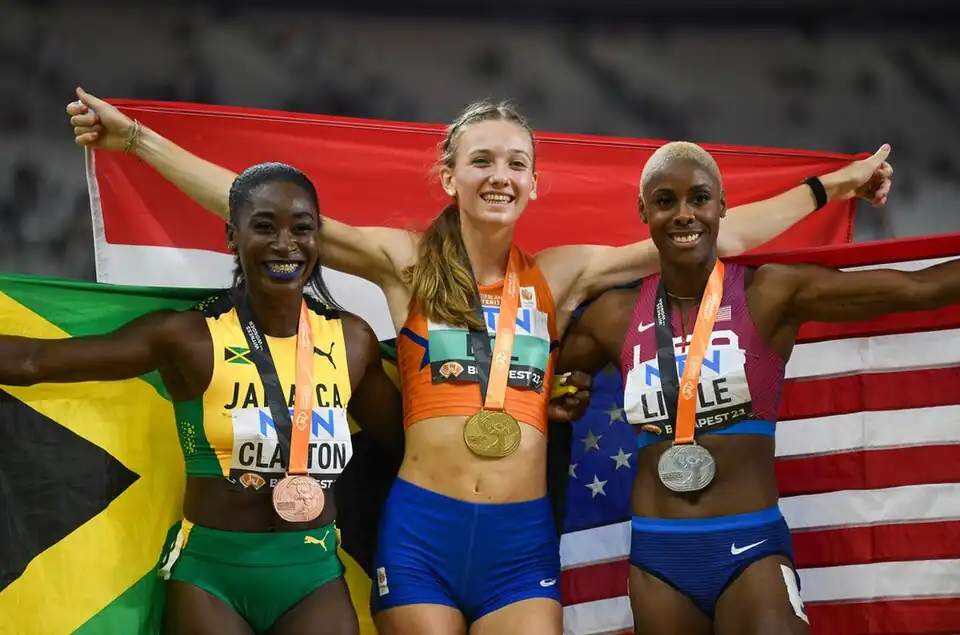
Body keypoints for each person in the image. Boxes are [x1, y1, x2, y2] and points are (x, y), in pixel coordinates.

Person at [65, 89, 892, 635]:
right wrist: (137, 140)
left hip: (519, 540)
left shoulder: (565, 272)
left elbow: (723, 235)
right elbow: (247, 199)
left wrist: (838, 187)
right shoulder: (400, 262)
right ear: (450, 173)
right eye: (484, 160)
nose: (500, 175)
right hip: (421, 532)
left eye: (516, 164)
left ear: (534, 185)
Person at [555, 140, 957, 635]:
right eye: (665, 201)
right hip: (657, 557)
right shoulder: (610, 318)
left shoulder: (769, 295)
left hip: (749, 549)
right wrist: (567, 393)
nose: (684, 215)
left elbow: (921, 289)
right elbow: (553, 383)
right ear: (644, 211)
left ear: (722, 207)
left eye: (699, 199)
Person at [0, 162, 407, 635]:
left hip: (313, 574)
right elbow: (34, 361)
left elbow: (408, 448)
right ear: (233, 236)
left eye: (302, 229)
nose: (284, 244)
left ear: (319, 239)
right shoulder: (188, 338)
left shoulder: (352, 341)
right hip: (211, 579)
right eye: (264, 227)